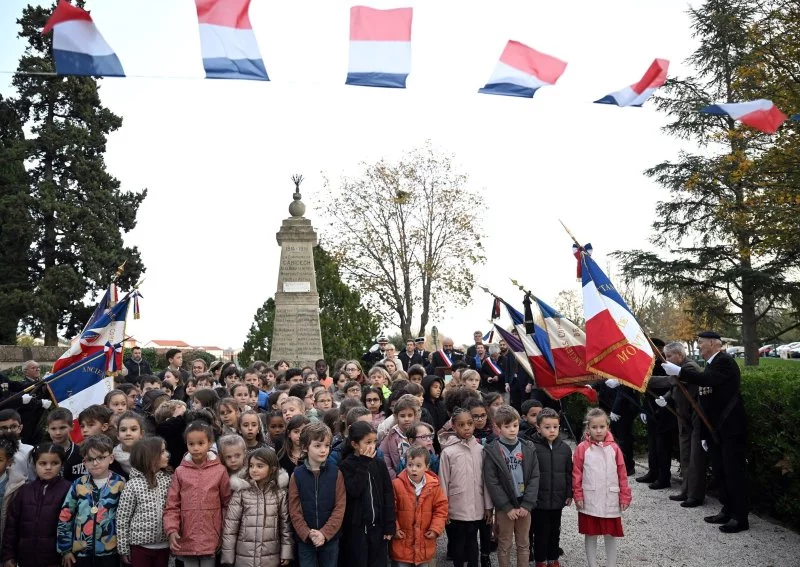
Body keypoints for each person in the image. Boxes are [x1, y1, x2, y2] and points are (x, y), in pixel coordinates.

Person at [662, 330, 749, 533]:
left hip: (730, 429)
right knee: (720, 472)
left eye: (701, 342)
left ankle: (740, 517)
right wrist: (703, 435)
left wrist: (680, 371)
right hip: (714, 430)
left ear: (713, 343)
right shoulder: (710, 365)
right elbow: (704, 402)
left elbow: (707, 381)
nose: (698, 345)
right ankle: (727, 510)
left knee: (733, 473)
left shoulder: (724, 361)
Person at [164, 421, 232, 567]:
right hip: (186, 535)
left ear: (210, 443)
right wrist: (172, 529)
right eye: (191, 444)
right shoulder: (180, 472)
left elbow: (227, 503)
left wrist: (223, 531)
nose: (196, 448)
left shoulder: (220, 470)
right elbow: (172, 505)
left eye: (201, 443)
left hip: (211, 535)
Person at [572, 409, 631, 567]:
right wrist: (578, 495)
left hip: (610, 498)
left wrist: (625, 496)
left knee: (610, 534)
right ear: (588, 428)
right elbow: (576, 474)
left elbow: (622, 474)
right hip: (590, 498)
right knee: (590, 534)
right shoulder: (582, 448)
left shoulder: (615, 448)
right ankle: (592, 564)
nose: (598, 430)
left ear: (608, 427)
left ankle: (611, 564)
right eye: (594, 427)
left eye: (602, 427)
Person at [483, 405, 540, 567]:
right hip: (504, 507)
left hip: (524, 505)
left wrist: (527, 504)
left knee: (523, 544)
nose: (512, 430)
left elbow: (535, 477)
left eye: (515, 425)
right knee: (505, 544)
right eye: (507, 427)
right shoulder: (492, 450)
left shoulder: (528, 447)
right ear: (498, 428)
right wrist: (507, 507)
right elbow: (492, 481)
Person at [57, 434, 126, 567]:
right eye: (90, 459)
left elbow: (126, 519)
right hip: (81, 553)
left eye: (100, 457)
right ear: (84, 462)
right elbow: (65, 515)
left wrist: (125, 549)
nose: (95, 463)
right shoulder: (78, 484)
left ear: (111, 458)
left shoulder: (120, 483)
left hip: (111, 553)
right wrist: (65, 549)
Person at [439, 407, 493, 567]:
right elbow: (443, 481)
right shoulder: (448, 452)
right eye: (462, 425)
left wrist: (488, 507)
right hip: (456, 508)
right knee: (458, 544)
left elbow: (487, 481)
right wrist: (444, 509)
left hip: (477, 507)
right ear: (454, 426)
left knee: (472, 544)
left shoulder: (481, 450)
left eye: (470, 423)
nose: (467, 427)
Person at [221, 448, 293, 567]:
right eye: (251, 466)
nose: (254, 470)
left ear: (272, 469)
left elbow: (285, 526)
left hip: (270, 557)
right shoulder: (241, 492)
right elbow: (230, 526)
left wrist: (286, 552)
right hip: (244, 557)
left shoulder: (280, 494)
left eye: (260, 466)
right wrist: (228, 556)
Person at [2, 443, 71, 567]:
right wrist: (8, 555)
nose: (48, 467)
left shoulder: (69, 489)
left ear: (62, 465)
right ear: (35, 465)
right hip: (25, 558)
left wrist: (67, 551)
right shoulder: (24, 490)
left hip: (55, 559)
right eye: (43, 463)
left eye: (54, 463)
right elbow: (12, 525)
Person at [288, 423, 346, 567]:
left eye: (326, 446)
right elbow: (294, 509)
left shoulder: (336, 473)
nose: (323, 450)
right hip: (306, 540)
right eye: (317, 446)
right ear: (305, 447)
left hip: (330, 539)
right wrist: (307, 533)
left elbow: (340, 507)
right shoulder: (297, 475)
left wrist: (325, 533)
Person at [338, 421, 396, 567]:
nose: (372, 446)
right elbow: (353, 491)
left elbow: (388, 494)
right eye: (367, 442)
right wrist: (363, 464)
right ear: (355, 444)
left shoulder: (379, 463)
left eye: (374, 442)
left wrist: (389, 524)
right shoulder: (346, 465)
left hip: (378, 527)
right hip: (357, 530)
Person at [663, 341, 706, 507]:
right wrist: (665, 398)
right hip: (683, 416)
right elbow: (674, 388)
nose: (666, 360)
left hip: (695, 417)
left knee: (695, 458)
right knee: (685, 455)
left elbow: (670, 382)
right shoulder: (678, 369)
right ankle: (686, 490)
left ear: (680, 355)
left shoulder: (689, 367)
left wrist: (644, 380)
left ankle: (695, 495)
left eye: (669, 356)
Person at [117, 437, 172, 567]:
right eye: (162, 452)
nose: (167, 454)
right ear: (150, 457)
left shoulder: (170, 480)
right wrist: (123, 549)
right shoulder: (133, 485)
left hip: (165, 546)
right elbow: (122, 518)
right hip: (140, 548)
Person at [391, 445, 448, 567]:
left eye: (418, 465)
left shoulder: (434, 486)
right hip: (403, 542)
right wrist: (395, 528)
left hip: (424, 542)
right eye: (410, 465)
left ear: (427, 467)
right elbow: (391, 510)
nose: (413, 469)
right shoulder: (396, 485)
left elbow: (441, 509)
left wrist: (435, 529)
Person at [530, 408, 572, 567]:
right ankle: (540, 560)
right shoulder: (532, 447)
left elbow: (569, 473)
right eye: (547, 427)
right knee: (540, 532)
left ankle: (553, 558)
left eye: (555, 426)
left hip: (557, 498)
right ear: (538, 428)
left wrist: (569, 493)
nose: (552, 430)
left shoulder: (565, 448)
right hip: (538, 499)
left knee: (555, 530)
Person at [635, 338, 677, 490]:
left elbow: (672, 386)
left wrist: (665, 402)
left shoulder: (666, 366)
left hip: (665, 410)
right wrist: (643, 410)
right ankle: (653, 472)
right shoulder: (648, 364)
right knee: (652, 445)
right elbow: (644, 391)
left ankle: (663, 477)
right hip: (651, 409)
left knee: (662, 447)